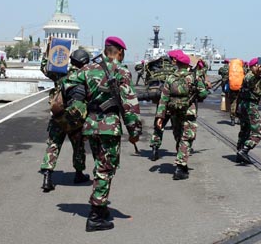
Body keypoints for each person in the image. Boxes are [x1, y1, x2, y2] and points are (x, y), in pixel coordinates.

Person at [68, 36, 142, 232]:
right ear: (119, 52)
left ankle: (100, 210)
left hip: (90, 125)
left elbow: (70, 87)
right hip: (109, 127)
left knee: (100, 165)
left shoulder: (87, 69)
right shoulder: (122, 72)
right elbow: (130, 105)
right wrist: (134, 131)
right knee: (106, 169)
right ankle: (95, 216)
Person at [39, 49, 91, 192]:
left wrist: (48, 53)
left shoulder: (61, 73)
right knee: (78, 146)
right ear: (85, 62)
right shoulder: (86, 76)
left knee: (53, 144)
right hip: (76, 120)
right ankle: (79, 174)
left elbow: (44, 68)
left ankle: (47, 176)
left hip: (59, 117)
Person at [154, 51, 208, 179]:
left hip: (174, 112)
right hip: (188, 112)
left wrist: (160, 117)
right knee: (187, 138)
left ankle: (182, 164)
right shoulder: (193, 77)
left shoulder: (170, 78)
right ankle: (180, 167)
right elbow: (203, 94)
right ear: (187, 64)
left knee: (179, 137)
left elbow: (163, 99)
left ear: (177, 64)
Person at [236, 58, 261, 164]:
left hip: (244, 105)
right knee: (258, 132)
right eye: (258, 66)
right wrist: (257, 74)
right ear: (254, 66)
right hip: (250, 106)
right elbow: (250, 81)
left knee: (245, 130)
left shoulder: (254, 75)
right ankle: (244, 150)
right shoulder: (250, 75)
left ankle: (240, 153)